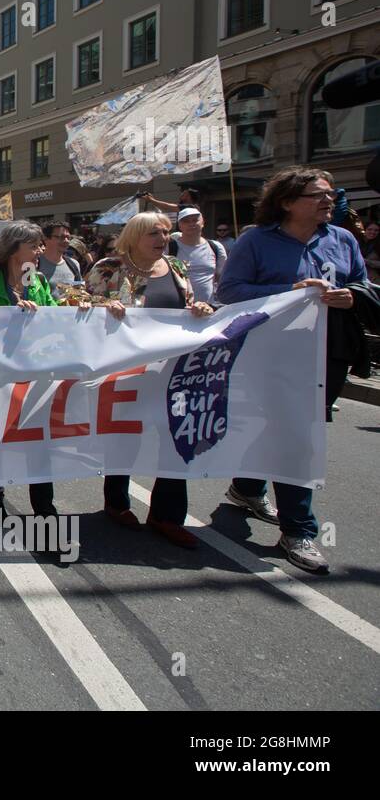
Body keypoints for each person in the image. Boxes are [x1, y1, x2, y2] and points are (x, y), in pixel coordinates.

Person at [217, 168, 365, 574]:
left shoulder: (343, 240)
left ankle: (246, 487)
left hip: (327, 354)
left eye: (331, 195)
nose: (327, 201)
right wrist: (289, 293)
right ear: (286, 201)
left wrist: (350, 297)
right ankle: (298, 529)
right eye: (317, 195)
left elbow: (362, 287)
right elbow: (229, 293)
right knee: (297, 435)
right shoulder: (256, 241)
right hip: (271, 353)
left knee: (289, 430)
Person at [85, 212, 215, 548]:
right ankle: (116, 503)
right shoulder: (108, 268)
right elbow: (76, 305)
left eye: (166, 233)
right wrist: (102, 304)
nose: (163, 239)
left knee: (176, 438)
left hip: (174, 371)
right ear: (134, 236)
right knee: (125, 438)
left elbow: (185, 306)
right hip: (124, 371)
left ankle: (167, 515)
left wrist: (199, 307)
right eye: (154, 233)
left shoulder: (175, 267)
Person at [0, 222, 64, 519]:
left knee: (39, 446)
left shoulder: (37, 283)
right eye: (34, 245)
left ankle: (45, 511)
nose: (39, 251)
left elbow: (55, 317)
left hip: (35, 378)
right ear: (14, 250)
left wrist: (71, 310)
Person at [168, 207, 226, 305]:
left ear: (203, 223)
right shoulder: (169, 247)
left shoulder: (216, 247)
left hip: (208, 310)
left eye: (195, 220)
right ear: (180, 225)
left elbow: (222, 278)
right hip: (177, 310)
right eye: (186, 221)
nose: (191, 224)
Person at [38, 221, 83, 291]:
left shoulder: (74, 264)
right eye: (61, 237)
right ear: (45, 238)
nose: (66, 241)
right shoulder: (35, 263)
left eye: (68, 237)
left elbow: (79, 289)